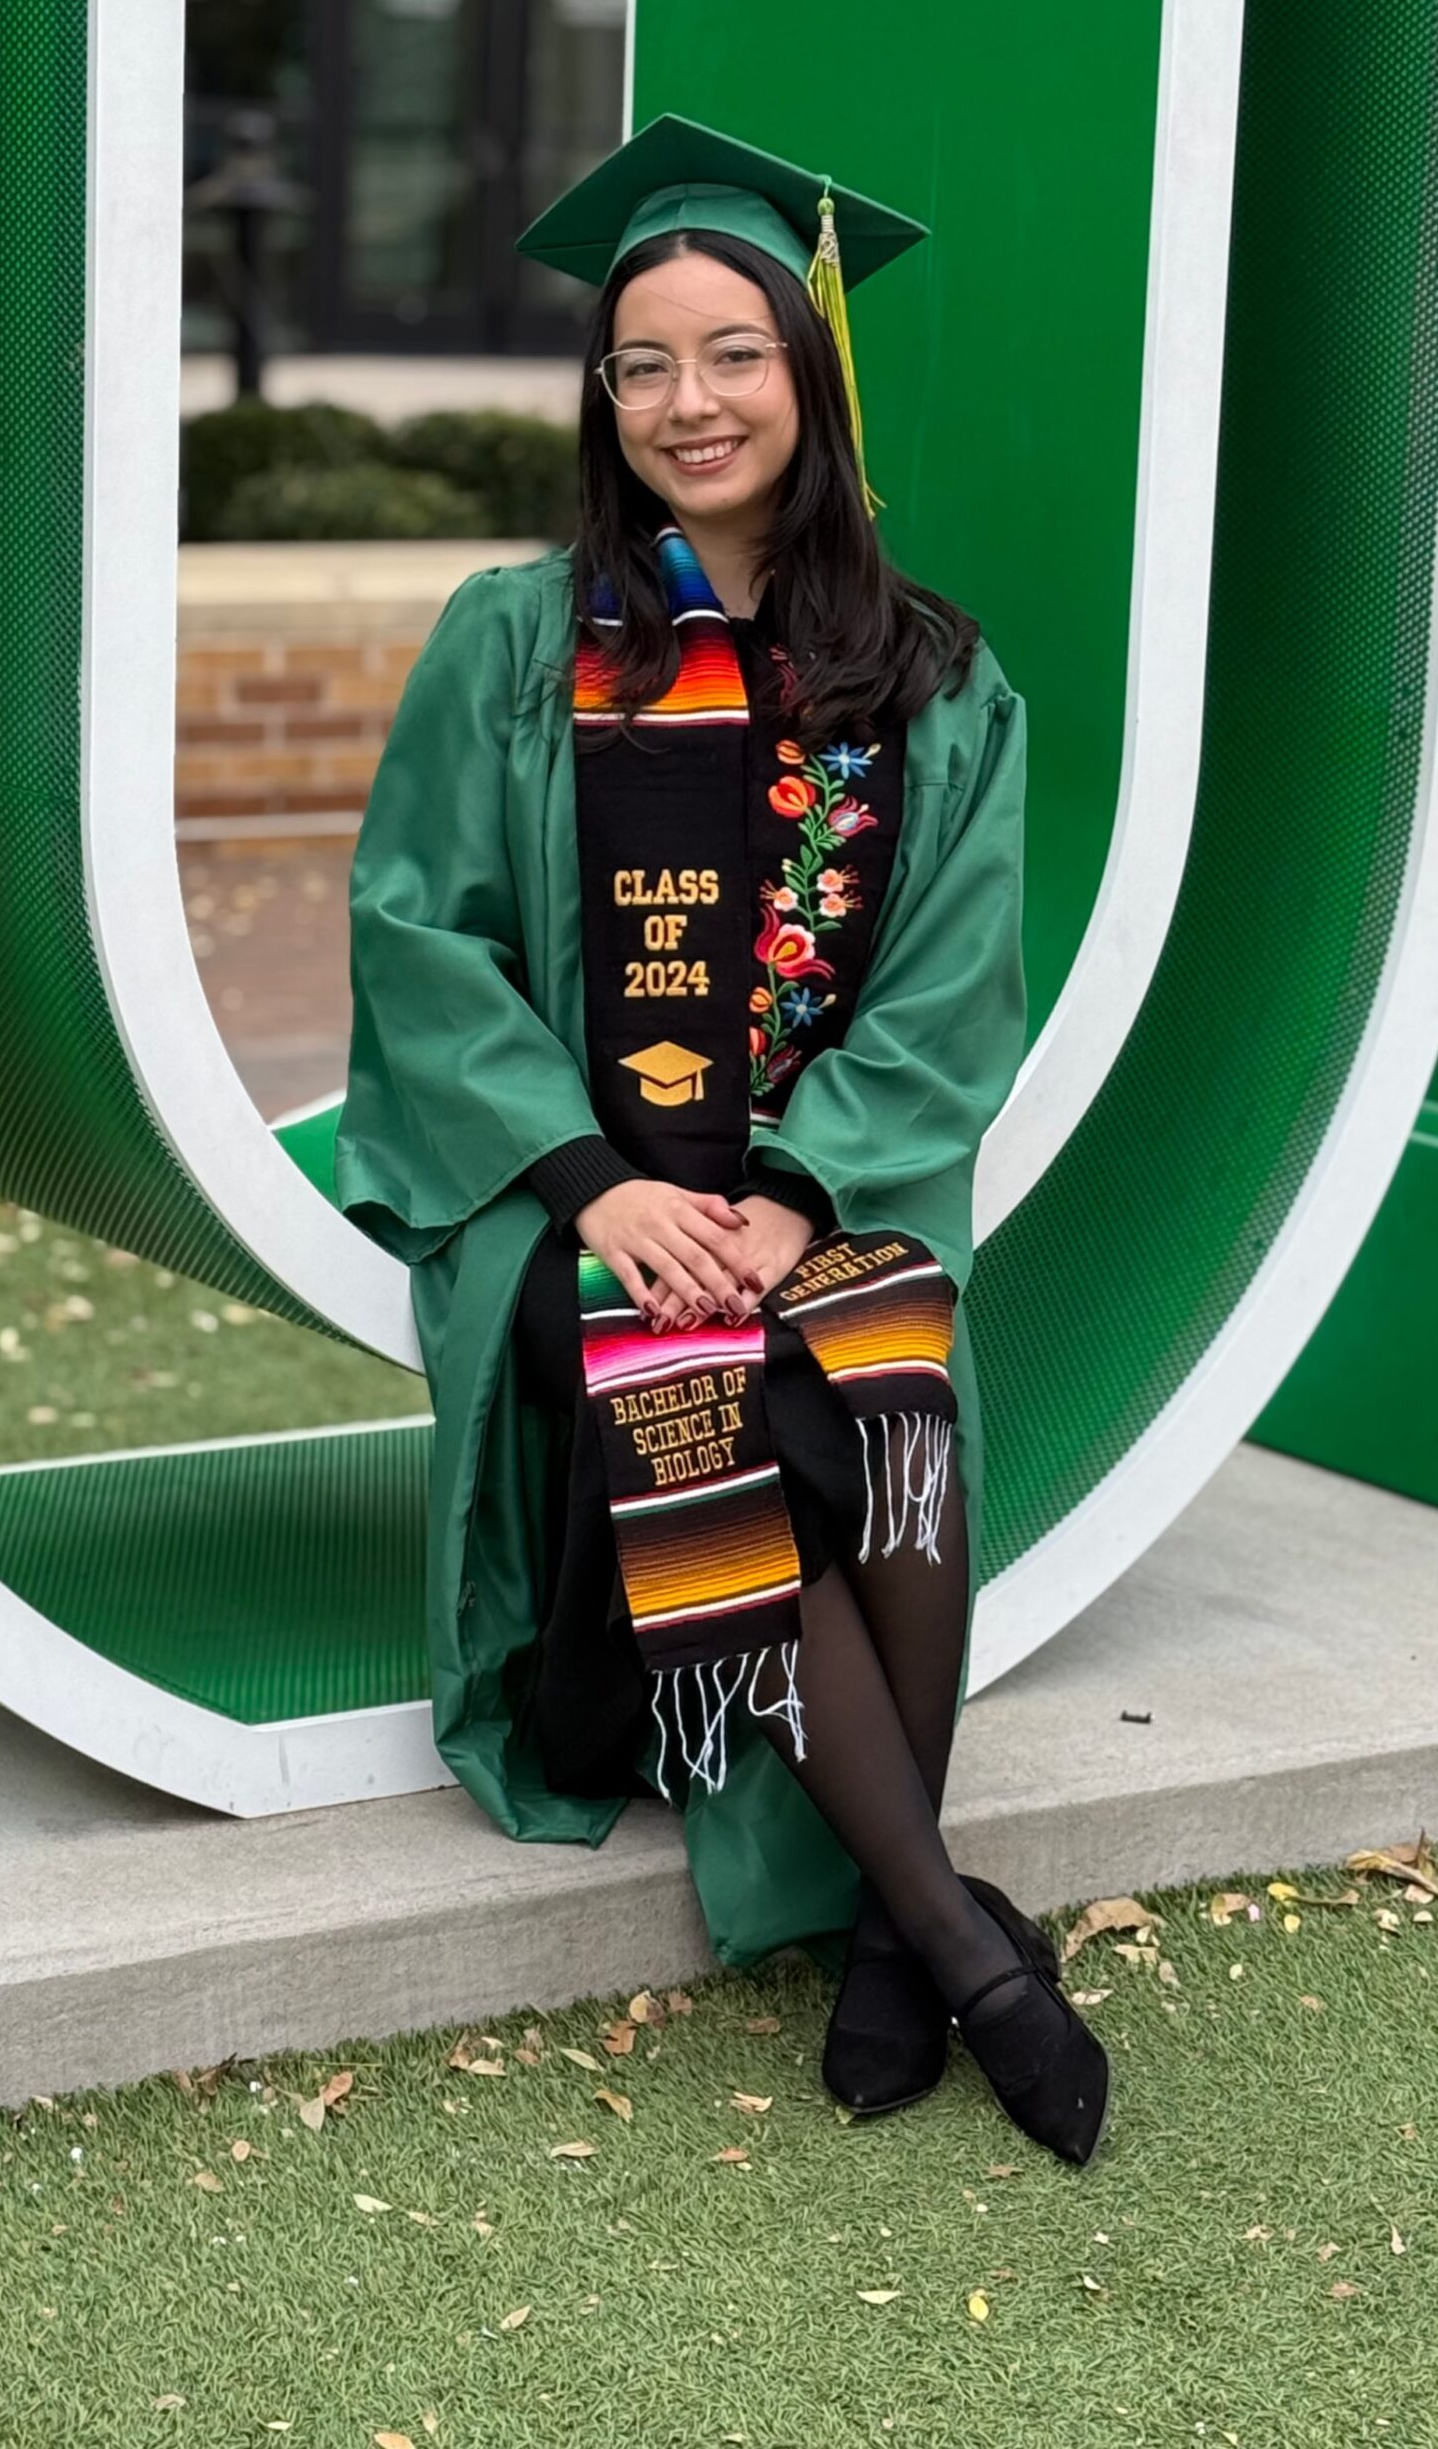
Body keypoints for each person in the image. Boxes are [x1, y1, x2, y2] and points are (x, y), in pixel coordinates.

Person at [336, 112, 1108, 2166]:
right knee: (708, 1387)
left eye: (734, 354)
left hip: (818, 1190)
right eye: (645, 362)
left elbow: (950, 993)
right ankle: (953, 1930)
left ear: (811, 372)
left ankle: (892, 1928)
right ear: (604, 399)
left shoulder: (933, 676)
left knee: (883, 1377)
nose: (690, 401)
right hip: (570, 1207)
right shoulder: (517, 643)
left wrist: (781, 1197)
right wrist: (606, 1183)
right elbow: (419, 941)